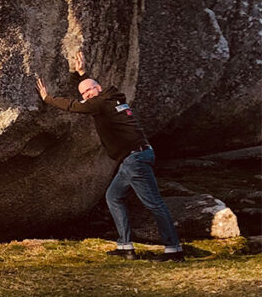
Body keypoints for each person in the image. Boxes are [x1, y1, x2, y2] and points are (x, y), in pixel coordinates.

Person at [36, 52, 184, 262]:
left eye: (89, 90)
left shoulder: (101, 103)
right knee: (113, 196)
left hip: (135, 159)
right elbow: (91, 92)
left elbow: (74, 106)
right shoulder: (113, 98)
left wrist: (47, 99)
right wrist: (82, 74)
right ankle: (126, 246)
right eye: (83, 92)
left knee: (154, 204)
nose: (86, 94)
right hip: (134, 157)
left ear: (98, 88)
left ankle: (174, 250)